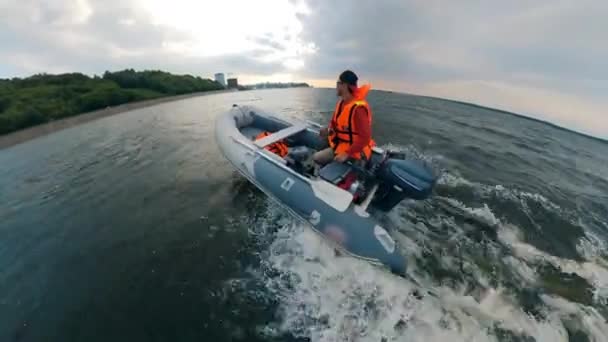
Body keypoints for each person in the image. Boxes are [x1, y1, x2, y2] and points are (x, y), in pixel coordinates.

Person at [313, 70, 375, 166]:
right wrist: (328, 131)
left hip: (355, 151)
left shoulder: (358, 109)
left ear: (344, 85)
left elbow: (365, 138)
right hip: (342, 144)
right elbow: (336, 126)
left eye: (338, 83)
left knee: (317, 157)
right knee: (320, 142)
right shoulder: (341, 104)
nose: (336, 86)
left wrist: (347, 153)